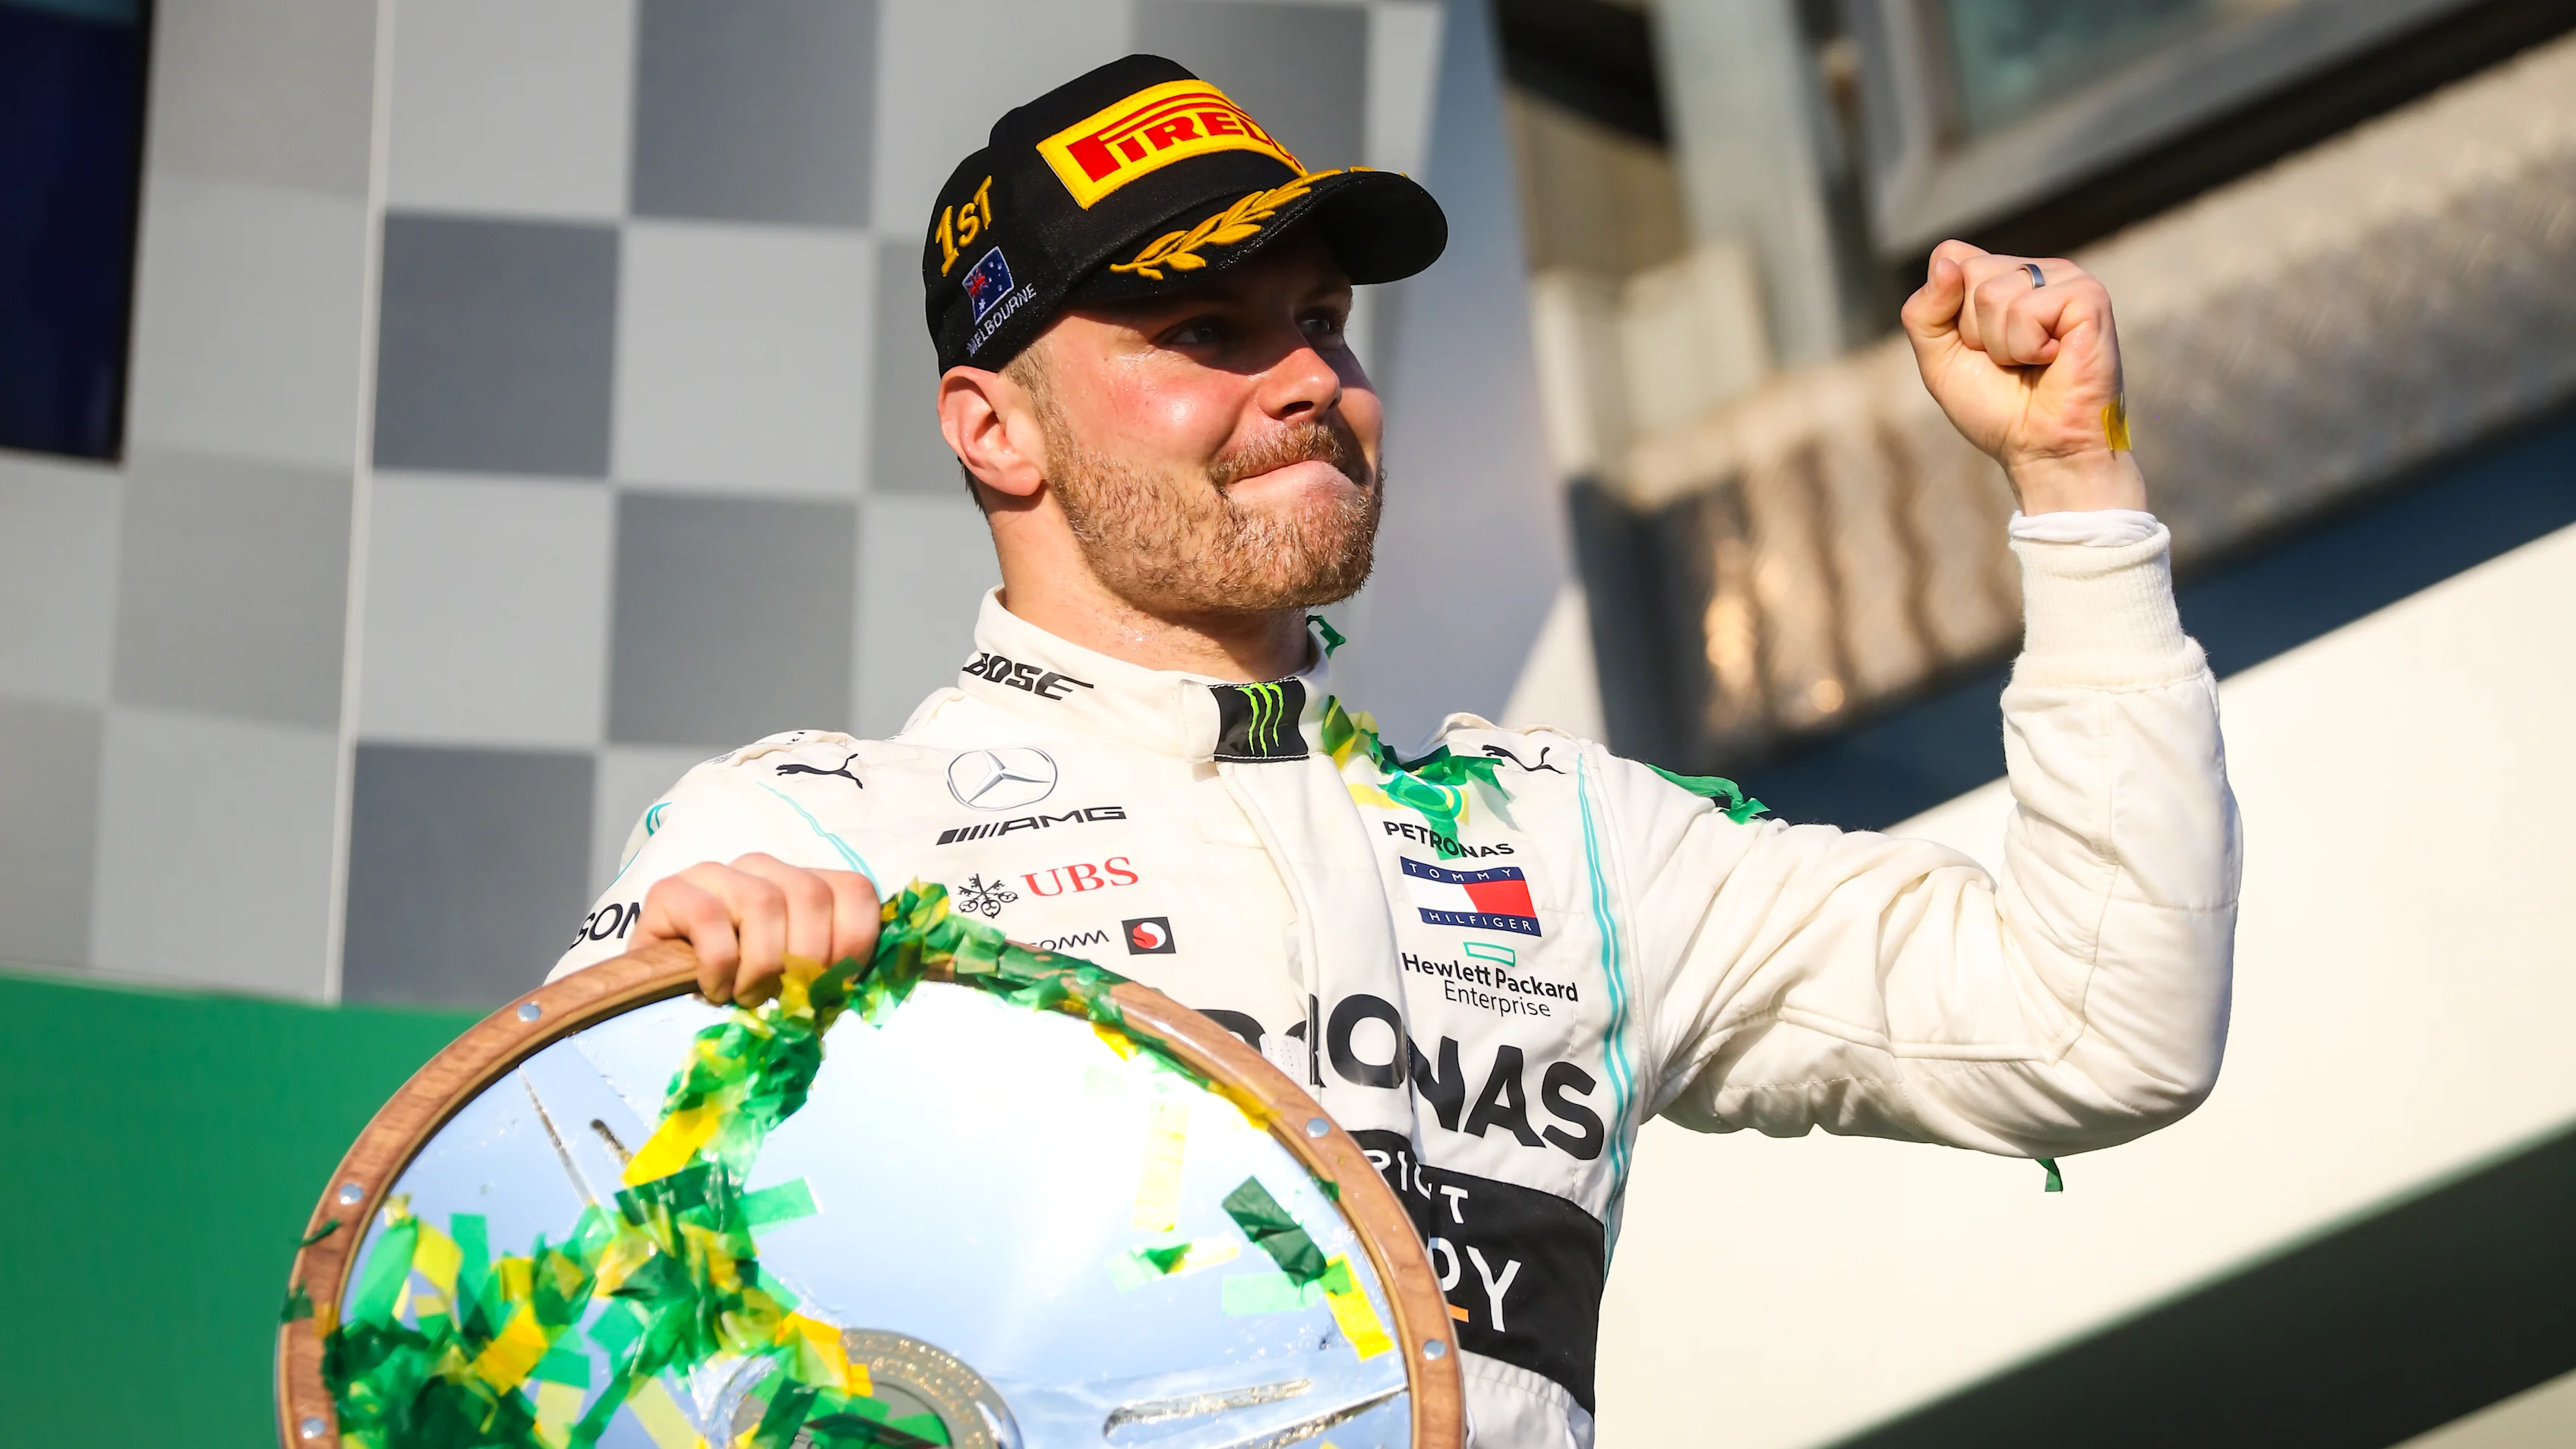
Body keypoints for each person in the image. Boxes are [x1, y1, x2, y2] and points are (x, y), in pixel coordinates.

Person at [550, 54, 2239, 1448]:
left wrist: (2074, 486)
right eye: (1203, 332)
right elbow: (528, 1321)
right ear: (995, 428)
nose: (1304, 378)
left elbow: (2099, 1022)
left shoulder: (1562, 836)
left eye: (1321, 317)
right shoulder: (813, 836)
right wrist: (672, 1058)